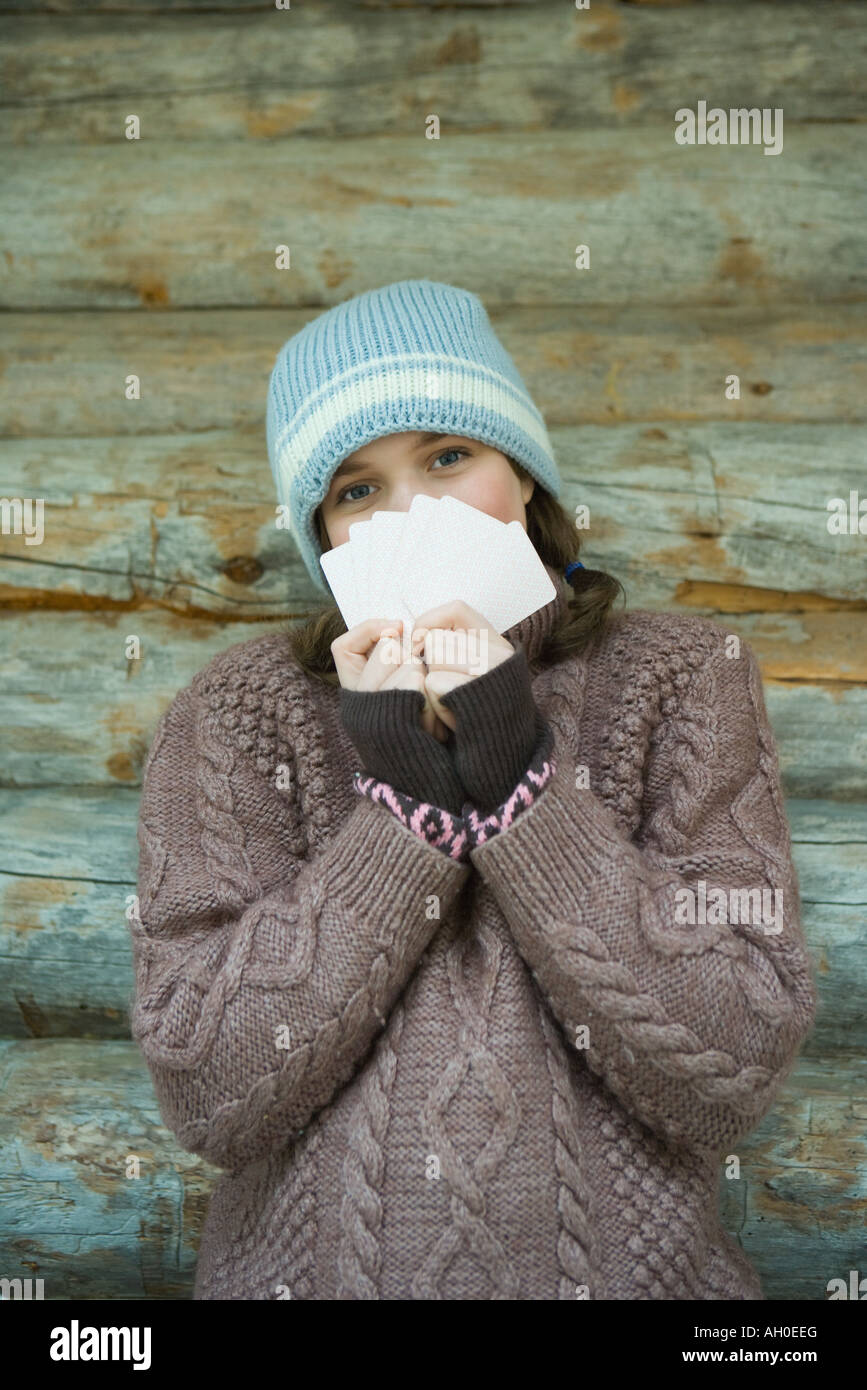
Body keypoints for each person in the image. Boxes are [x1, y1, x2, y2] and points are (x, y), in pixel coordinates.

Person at [130, 279, 817, 1300]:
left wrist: (517, 785)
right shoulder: (239, 707)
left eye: (449, 457)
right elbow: (207, 1090)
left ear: (525, 476)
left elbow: (736, 1056)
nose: (416, 511)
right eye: (359, 491)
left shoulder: (684, 675)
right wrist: (402, 811)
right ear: (323, 541)